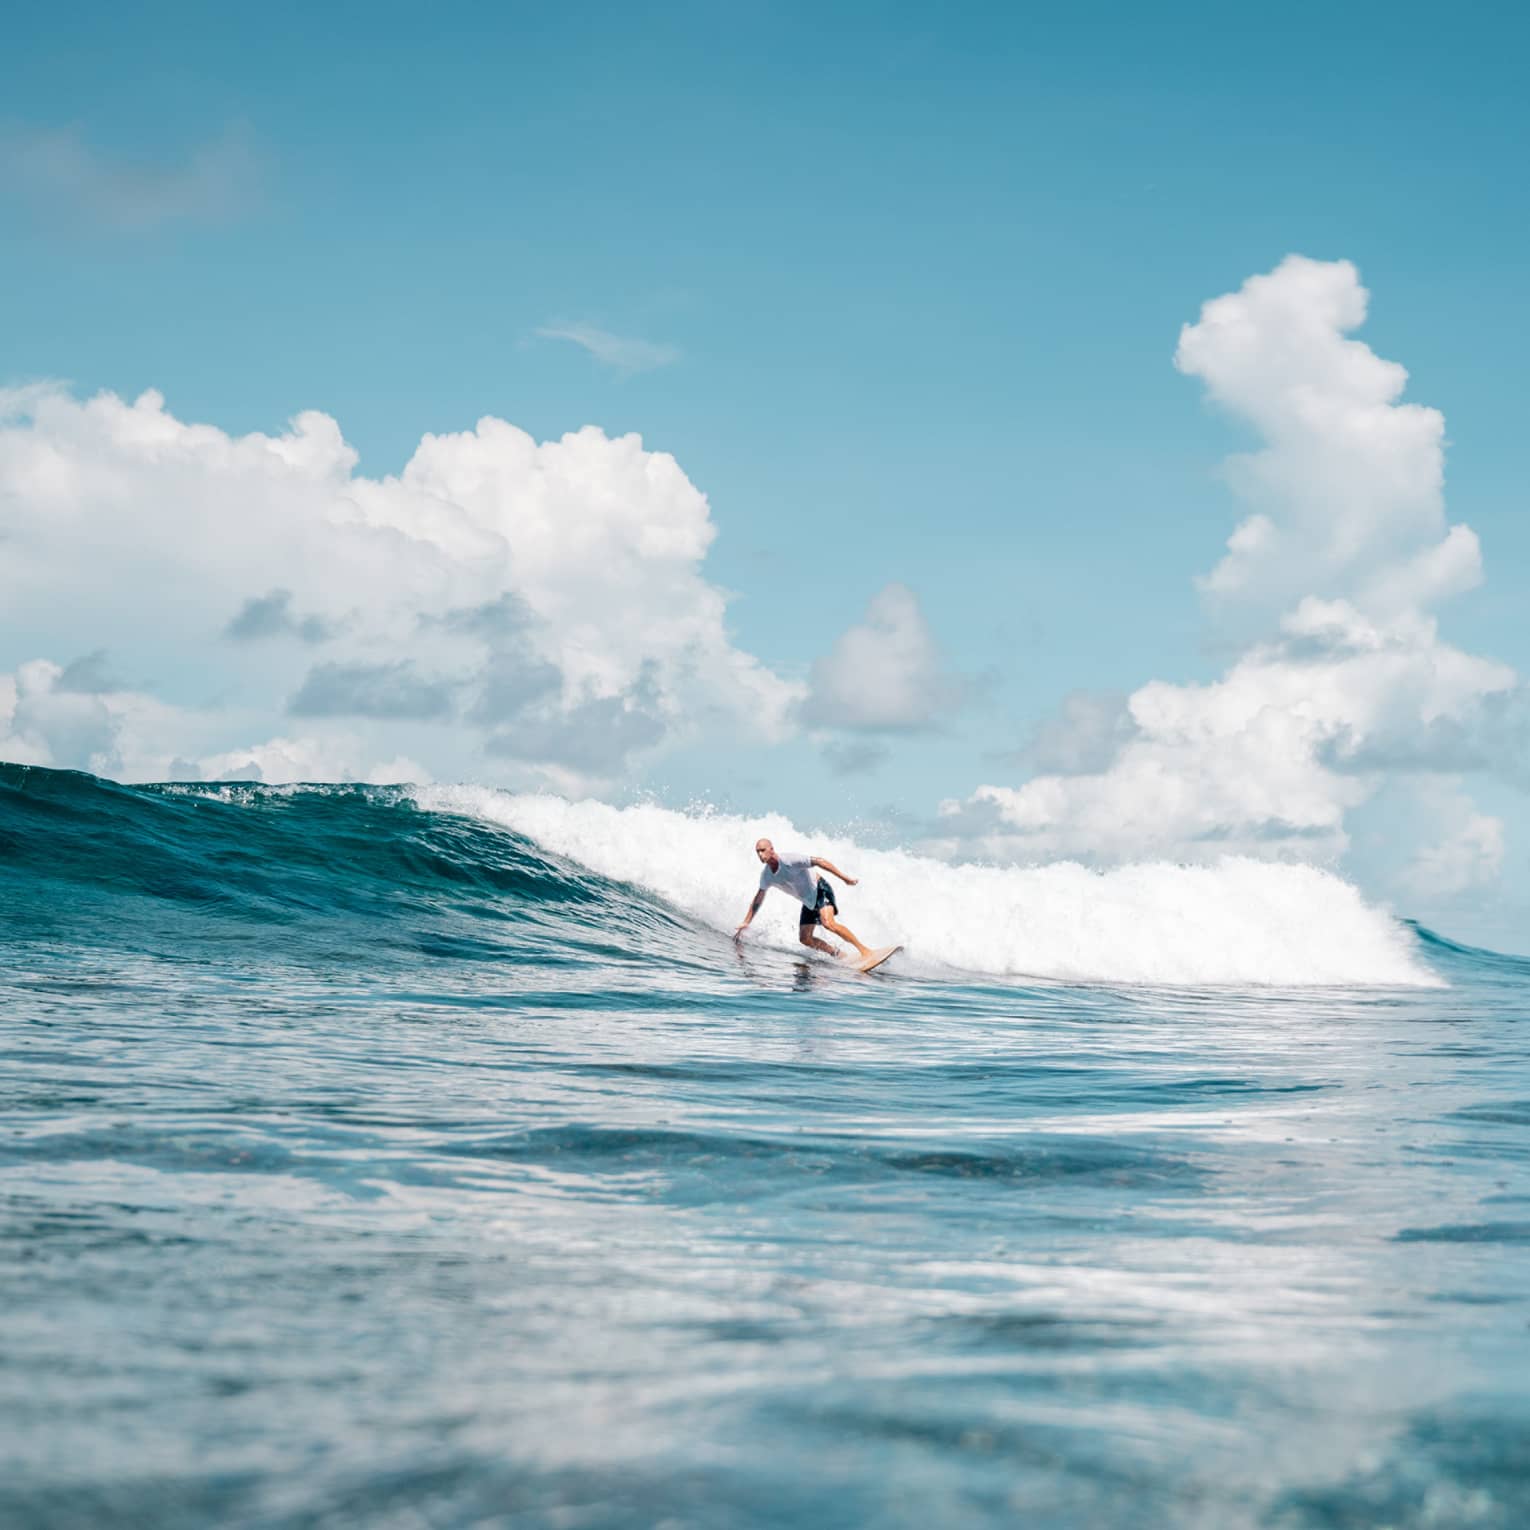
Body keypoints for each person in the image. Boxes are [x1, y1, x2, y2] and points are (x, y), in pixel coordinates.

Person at [734, 837, 873, 960]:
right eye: (757, 851)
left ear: (771, 849)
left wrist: (845, 878)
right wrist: (746, 922)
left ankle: (865, 951)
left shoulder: (789, 860)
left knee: (828, 923)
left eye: (762, 850)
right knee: (805, 939)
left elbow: (820, 861)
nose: (760, 854)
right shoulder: (767, 875)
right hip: (808, 901)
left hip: (819, 889)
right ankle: (837, 954)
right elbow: (758, 898)